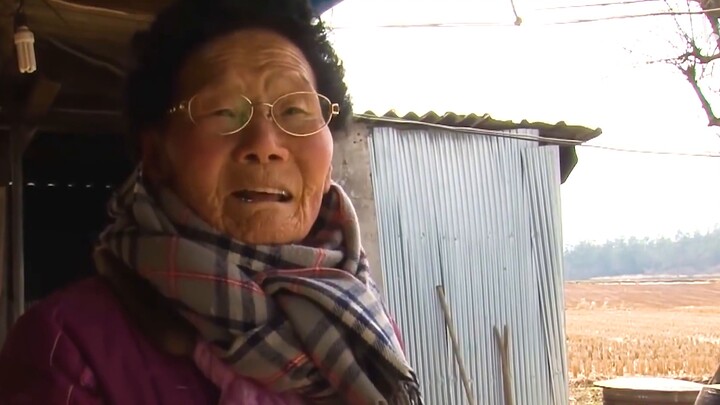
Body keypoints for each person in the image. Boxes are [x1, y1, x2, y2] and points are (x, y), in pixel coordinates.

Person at [0, 0, 422, 403]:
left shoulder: (365, 327)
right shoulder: (69, 349)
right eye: (222, 111)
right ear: (157, 155)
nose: (265, 145)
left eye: (295, 111)